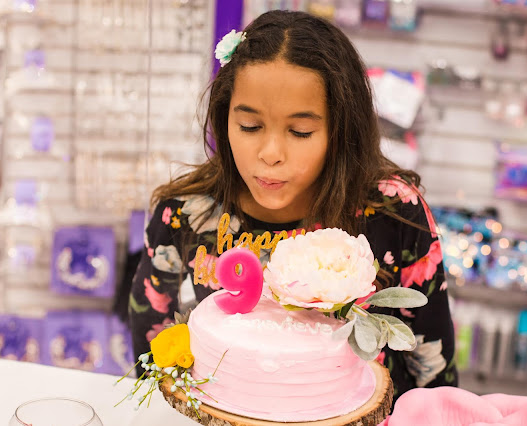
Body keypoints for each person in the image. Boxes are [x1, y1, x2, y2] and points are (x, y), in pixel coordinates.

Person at [122, 9, 458, 404]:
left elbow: (433, 375)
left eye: (300, 132)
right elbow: (154, 358)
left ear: (340, 128)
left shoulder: (392, 213)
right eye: (249, 126)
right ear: (224, 116)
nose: (270, 154)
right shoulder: (182, 213)